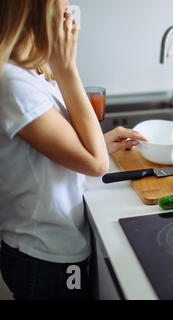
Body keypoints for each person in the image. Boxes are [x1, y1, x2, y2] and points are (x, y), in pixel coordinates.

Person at [0, 0, 147, 300]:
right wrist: (67, 68)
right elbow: (96, 165)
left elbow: (56, 153)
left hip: (57, 246)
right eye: (61, 1)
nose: (69, 7)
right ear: (33, 9)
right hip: (43, 256)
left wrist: (102, 144)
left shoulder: (34, 71)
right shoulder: (12, 83)